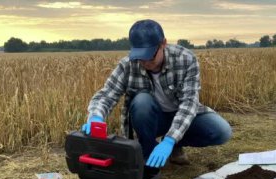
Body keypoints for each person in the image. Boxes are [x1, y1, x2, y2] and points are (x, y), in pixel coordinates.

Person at [82, 19, 232, 168]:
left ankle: (173, 145)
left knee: (221, 131)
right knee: (142, 101)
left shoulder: (185, 59)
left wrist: (170, 140)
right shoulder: (128, 64)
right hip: (152, 120)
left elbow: (189, 104)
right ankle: (147, 154)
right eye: (141, 57)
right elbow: (106, 95)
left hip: (180, 115)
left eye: (150, 55)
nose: (146, 62)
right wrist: (96, 116)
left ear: (163, 44)